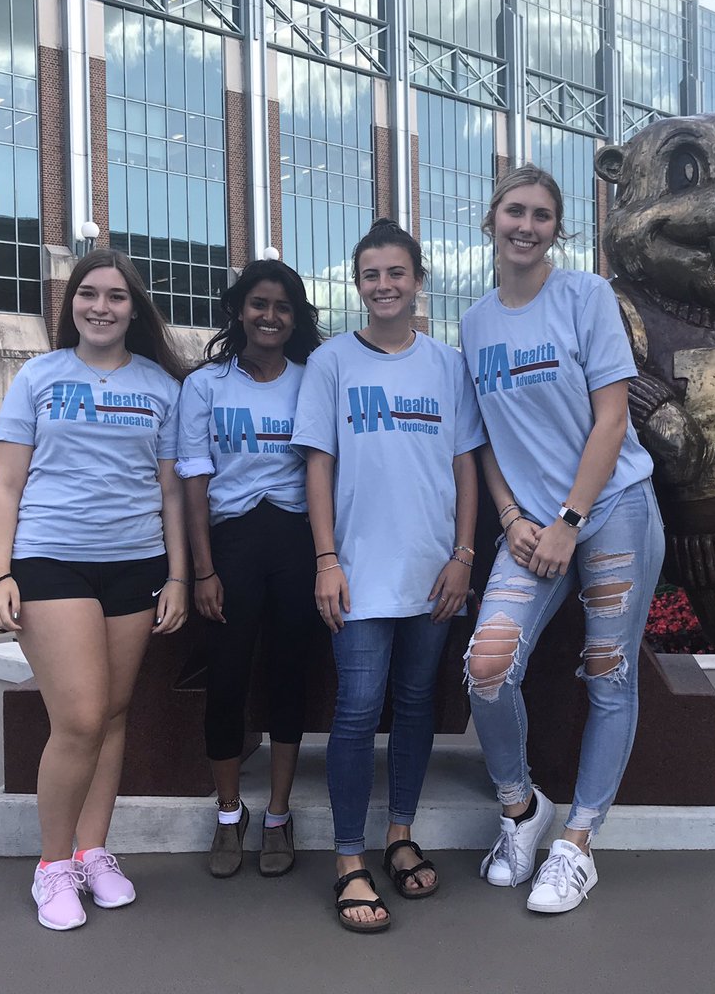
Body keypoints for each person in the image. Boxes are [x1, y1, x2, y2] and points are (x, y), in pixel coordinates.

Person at [459, 165, 664, 915]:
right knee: (487, 668)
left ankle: (577, 845)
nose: (527, 225)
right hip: (528, 528)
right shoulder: (475, 322)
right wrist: (513, 518)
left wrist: (570, 524)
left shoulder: (585, 297)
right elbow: (485, 437)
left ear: (557, 228)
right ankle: (521, 811)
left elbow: (613, 419)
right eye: (515, 210)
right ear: (492, 219)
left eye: (543, 215)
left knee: (609, 675)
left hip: (609, 510)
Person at [0, 249, 188, 931]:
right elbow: (6, 486)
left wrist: (179, 576)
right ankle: (52, 867)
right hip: (51, 563)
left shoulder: (162, 385)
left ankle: (94, 850)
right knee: (78, 717)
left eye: (116, 296)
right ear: (70, 302)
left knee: (114, 714)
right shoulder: (38, 375)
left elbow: (170, 493)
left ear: (136, 308)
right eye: (88, 294)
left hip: (135, 564)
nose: (101, 307)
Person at [292, 219, 483, 933]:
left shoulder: (446, 364)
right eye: (371, 275)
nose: (384, 286)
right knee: (355, 707)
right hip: (357, 573)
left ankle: (399, 834)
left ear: (417, 279)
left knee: (414, 705)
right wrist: (326, 558)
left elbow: (465, 465)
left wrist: (463, 555)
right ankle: (349, 858)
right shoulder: (332, 363)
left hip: (434, 572)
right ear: (357, 282)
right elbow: (319, 463)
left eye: (396, 273)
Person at [176, 259, 322, 879]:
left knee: (290, 677)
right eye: (259, 304)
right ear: (239, 309)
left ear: (296, 318)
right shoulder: (206, 385)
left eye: (283, 307)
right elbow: (193, 478)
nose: (270, 316)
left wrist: (324, 559)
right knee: (228, 682)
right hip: (231, 544)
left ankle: (280, 814)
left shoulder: (313, 379)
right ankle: (230, 813)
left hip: (294, 540)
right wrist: (203, 571)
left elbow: (324, 469)